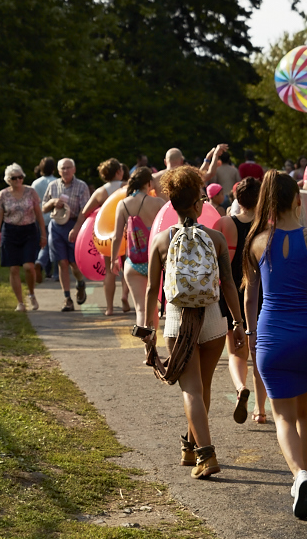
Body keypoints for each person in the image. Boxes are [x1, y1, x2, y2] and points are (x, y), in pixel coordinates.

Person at [141, 166, 246, 479]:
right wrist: (238, 322)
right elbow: (228, 283)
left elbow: (151, 289)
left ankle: (206, 455)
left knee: (191, 390)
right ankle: (189, 446)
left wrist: (148, 330)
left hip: (177, 320)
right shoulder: (214, 238)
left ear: (171, 205)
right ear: (200, 204)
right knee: (204, 388)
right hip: (213, 319)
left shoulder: (161, 240)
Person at [243, 171, 307, 518]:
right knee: (306, 413)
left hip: (272, 335)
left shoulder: (256, 242)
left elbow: (251, 296)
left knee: (282, 417)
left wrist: (249, 335)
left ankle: (300, 476)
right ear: (298, 199)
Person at [213, 176, 268, 425]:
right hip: (259, 292)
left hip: (230, 291)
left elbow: (215, 263)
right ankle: (261, 409)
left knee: (236, 351)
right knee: (258, 352)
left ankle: (240, 387)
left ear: (236, 199)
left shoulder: (224, 223)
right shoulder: (267, 225)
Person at [112, 167, 166, 330]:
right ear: (149, 183)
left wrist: (114, 258)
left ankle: (147, 348)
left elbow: (116, 236)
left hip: (133, 262)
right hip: (155, 262)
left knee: (141, 309)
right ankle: (153, 345)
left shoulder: (123, 204)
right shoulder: (157, 203)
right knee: (154, 309)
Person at [74, 158, 129, 316]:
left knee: (110, 271)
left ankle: (109, 308)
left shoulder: (100, 192)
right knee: (126, 267)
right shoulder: (126, 188)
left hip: (106, 236)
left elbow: (85, 212)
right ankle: (125, 296)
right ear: (119, 171)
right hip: (125, 232)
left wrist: (76, 228)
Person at [0, 163, 47, 312]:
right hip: (10, 232)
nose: (18, 180)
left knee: (29, 266)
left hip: (29, 231)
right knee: (13, 268)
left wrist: (43, 234)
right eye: (14, 178)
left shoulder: (31, 192)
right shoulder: (3, 195)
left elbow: (38, 214)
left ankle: (31, 293)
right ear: (8, 180)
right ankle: (20, 302)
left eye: (20, 177)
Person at [41, 158, 91, 312]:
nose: (66, 171)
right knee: (61, 262)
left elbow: (84, 211)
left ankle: (80, 282)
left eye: (69, 168)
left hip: (74, 224)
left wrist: (76, 229)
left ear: (74, 169)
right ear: (58, 170)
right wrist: (53, 202)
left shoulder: (81, 186)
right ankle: (67, 298)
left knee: (74, 263)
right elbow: (44, 207)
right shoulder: (53, 185)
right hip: (56, 226)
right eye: (63, 168)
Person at [31, 157, 59, 281]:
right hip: (54, 217)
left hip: (39, 216)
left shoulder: (36, 183)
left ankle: (45, 270)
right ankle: (51, 269)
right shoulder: (57, 182)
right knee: (54, 244)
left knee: (42, 243)